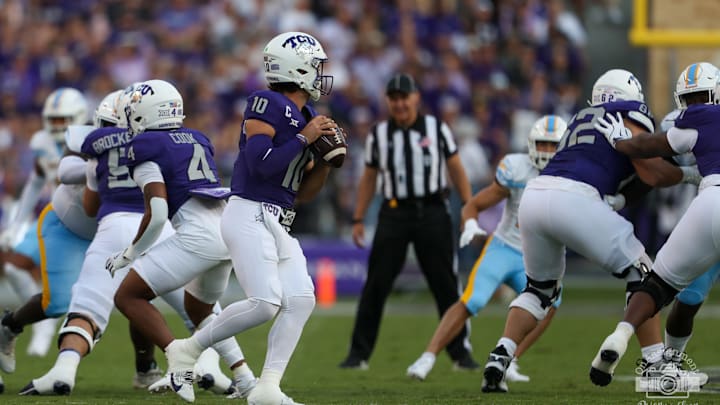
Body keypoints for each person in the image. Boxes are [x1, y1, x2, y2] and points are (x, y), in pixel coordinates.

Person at [480, 68, 701, 393]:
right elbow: (651, 172)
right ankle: (656, 367)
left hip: (536, 195)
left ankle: (501, 355)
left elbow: (627, 175)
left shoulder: (582, 116)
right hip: (576, 198)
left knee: (540, 290)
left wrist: (621, 197)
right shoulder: (631, 112)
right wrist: (688, 175)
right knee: (644, 274)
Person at [156, 31, 338, 405]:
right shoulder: (266, 102)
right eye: (316, 66)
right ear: (297, 68)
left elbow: (302, 194)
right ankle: (186, 350)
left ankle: (267, 388)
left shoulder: (309, 116)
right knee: (265, 303)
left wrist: (326, 163)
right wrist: (304, 139)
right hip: (248, 211)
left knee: (301, 299)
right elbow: (260, 163)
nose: (320, 74)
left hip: (279, 219)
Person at [17, 89, 238, 396]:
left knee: (88, 307)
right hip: (162, 230)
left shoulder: (99, 150)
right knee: (199, 308)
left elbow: (88, 201)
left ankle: (63, 370)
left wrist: (91, 170)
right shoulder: (172, 141)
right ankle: (227, 371)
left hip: (114, 227)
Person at [108, 79, 257, 403]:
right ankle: (245, 377)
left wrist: (130, 253)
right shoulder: (196, 138)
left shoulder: (145, 147)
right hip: (227, 229)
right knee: (199, 308)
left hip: (199, 235)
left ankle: (178, 359)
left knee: (128, 296)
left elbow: (158, 211)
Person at [406, 115, 566, 382]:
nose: (547, 151)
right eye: (542, 144)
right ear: (530, 144)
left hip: (537, 259)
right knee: (473, 299)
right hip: (504, 248)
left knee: (550, 307)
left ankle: (509, 360)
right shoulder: (517, 169)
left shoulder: (573, 178)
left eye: (553, 146)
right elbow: (474, 205)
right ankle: (427, 357)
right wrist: (469, 224)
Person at [590, 62, 720, 387]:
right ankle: (671, 361)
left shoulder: (691, 120)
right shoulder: (702, 116)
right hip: (706, 196)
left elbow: (644, 148)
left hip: (708, 202)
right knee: (685, 296)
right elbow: (659, 168)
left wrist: (622, 142)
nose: (696, 105)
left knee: (657, 284)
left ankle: (621, 335)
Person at [339, 73, 476, 371]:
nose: (400, 103)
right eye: (394, 98)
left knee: (445, 284)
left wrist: (469, 207)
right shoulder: (379, 134)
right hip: (394, 212)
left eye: (404, 97)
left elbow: (456, 167)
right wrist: (359, 217)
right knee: (376, 283)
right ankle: (358, 353)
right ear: (388, 101)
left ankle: (460, 353)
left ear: (416, 98)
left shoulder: (436, 128)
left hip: (433, 211)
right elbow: (369, 177)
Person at [0, 88, 88, 360]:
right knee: (14, 266)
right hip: (54, 218)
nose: (58, 126)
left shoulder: (91, 140)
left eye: (64, 119)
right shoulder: (43, 143)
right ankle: (43, 323)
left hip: (87, 221)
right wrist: (14, 226)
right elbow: (35, 183)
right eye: (54, 119)